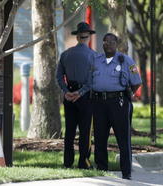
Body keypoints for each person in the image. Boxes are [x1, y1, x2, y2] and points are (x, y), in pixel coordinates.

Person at [92, 33, 142, 179]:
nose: (108, 44)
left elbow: (136, 82)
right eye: (105, 42)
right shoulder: (96, 60)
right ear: (102, 44)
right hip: (99, 102)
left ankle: (126, 172)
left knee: (123, 138)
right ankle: (102, 169)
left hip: (119, 103)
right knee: (100, 137)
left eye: (111, 42)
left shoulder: (126, 60)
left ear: (117, 43)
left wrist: (126, 95)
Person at [56, 22, 97, 169]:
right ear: (88, 37)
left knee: (70, 131)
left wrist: (67, 91)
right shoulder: (94, 56)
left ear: (77, 37)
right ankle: (83, 162)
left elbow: (59, 77)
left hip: (69, 96)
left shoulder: (65, 54)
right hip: (85, 97)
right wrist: (79, 93)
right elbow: (93, 80)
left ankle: (67, 162)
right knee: (85, 131)